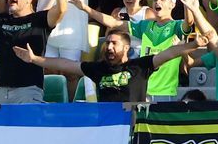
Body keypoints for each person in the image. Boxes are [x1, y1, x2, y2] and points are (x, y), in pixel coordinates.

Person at [15, 28, 207, 104]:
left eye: (114, 43)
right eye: (107, 43)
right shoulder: (98, 69)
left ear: (126, 47)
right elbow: (65, 64)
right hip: (108, 126)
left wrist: (193, 45)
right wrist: (35, 59)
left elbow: (168, 54)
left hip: (134, 126)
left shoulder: (140, 66)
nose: (109, 46)